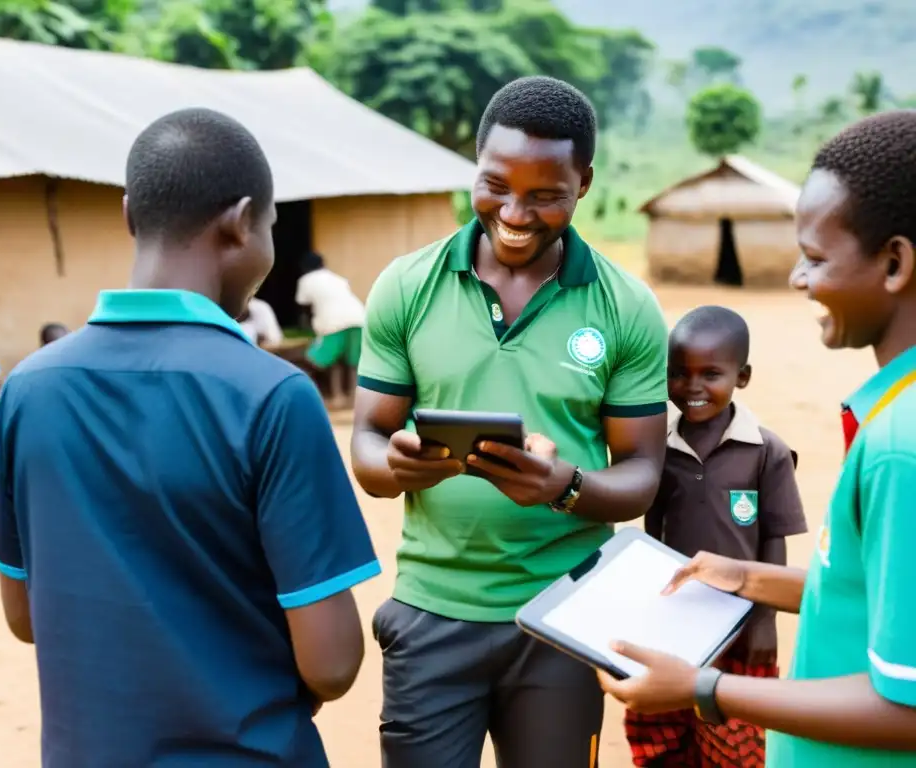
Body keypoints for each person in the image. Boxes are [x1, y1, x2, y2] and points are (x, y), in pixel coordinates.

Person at [0, 108, 380, 768]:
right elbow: (332, 664)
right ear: (241, 221)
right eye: (273, 227)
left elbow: (27, 617)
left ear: (127, 215)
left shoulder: (26, 391)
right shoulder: (273, 396)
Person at [351, 75, 669, 768]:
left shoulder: (626, 307)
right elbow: (368, 443)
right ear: (475, 166)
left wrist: (565, 486)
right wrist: (399, 465)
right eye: (495, 185)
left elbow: (643, 474)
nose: (515, 213)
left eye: (545, 194)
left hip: (565, 617)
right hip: (433, 612)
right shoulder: (407, 286)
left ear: (583, 182)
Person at [596, 110, 916, 766]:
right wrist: (746, 576)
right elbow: (873, 596)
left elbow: (905, 707)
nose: (798, 278)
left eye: (816, 258)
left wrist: (706, 689)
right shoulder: (893, 418)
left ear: (894, 263)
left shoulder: (899, 448)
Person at [624, 305, 808, 767]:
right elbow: (653, 529)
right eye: (679, 374)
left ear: (741, 376)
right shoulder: (658, 448)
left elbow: (774, 540)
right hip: (673, 620)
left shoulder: (767, 452)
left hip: (742, 627)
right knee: (663, 739)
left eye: (711, 374)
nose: (693, 387)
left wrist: (765, 621)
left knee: (736, 744)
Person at [296, 251, 366, 409]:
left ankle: (337, 396)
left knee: (327, 361)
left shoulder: (306, 280)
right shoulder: (337, 278)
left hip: (331, 322)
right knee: (352, 362)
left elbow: (304, 307)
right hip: (358, 318)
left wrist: (307, 326)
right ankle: (353, 398)